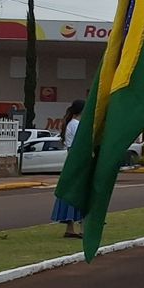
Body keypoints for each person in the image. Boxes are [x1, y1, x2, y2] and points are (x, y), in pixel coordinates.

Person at [51, 100, 88, 238]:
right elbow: (81, 145)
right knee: (80, 194)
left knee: (69, 194)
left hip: (72, 162)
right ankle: (82, 228)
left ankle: (70, 228)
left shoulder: (71, 124)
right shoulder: (77, 125)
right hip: (77, 163)